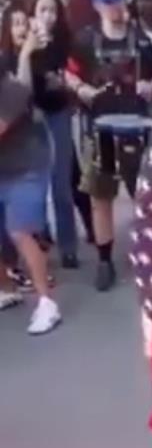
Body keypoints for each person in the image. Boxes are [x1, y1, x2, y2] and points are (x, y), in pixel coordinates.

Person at [68, 0, 152, 291]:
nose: (114, 6)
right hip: (101, 129)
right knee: (101, 197)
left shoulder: (143, 40)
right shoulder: (84, 40)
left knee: (144, 197)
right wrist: (81, 89)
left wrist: (151, 86)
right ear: (95, 3)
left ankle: (148, 254)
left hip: (137, 127)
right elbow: (68, 74)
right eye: (107, 1)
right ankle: (105, 260)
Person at [22, 0, 79, 269]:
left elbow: (72, 76)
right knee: (35, 181)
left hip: (58, 113)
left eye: (53, 11)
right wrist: (29, 50)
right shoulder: (24, 41)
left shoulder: (64, 44)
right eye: (42, 9)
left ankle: (69, 245)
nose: (48, 16)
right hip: (31, 117)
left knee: (61, 183)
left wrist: (65, 84)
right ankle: (41, 237)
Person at [0, 67, 59, 334]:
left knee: (20, 231)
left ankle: (47, 303)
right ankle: (6, 289)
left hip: (28, 168)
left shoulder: (13, 89)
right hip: (4, 169)